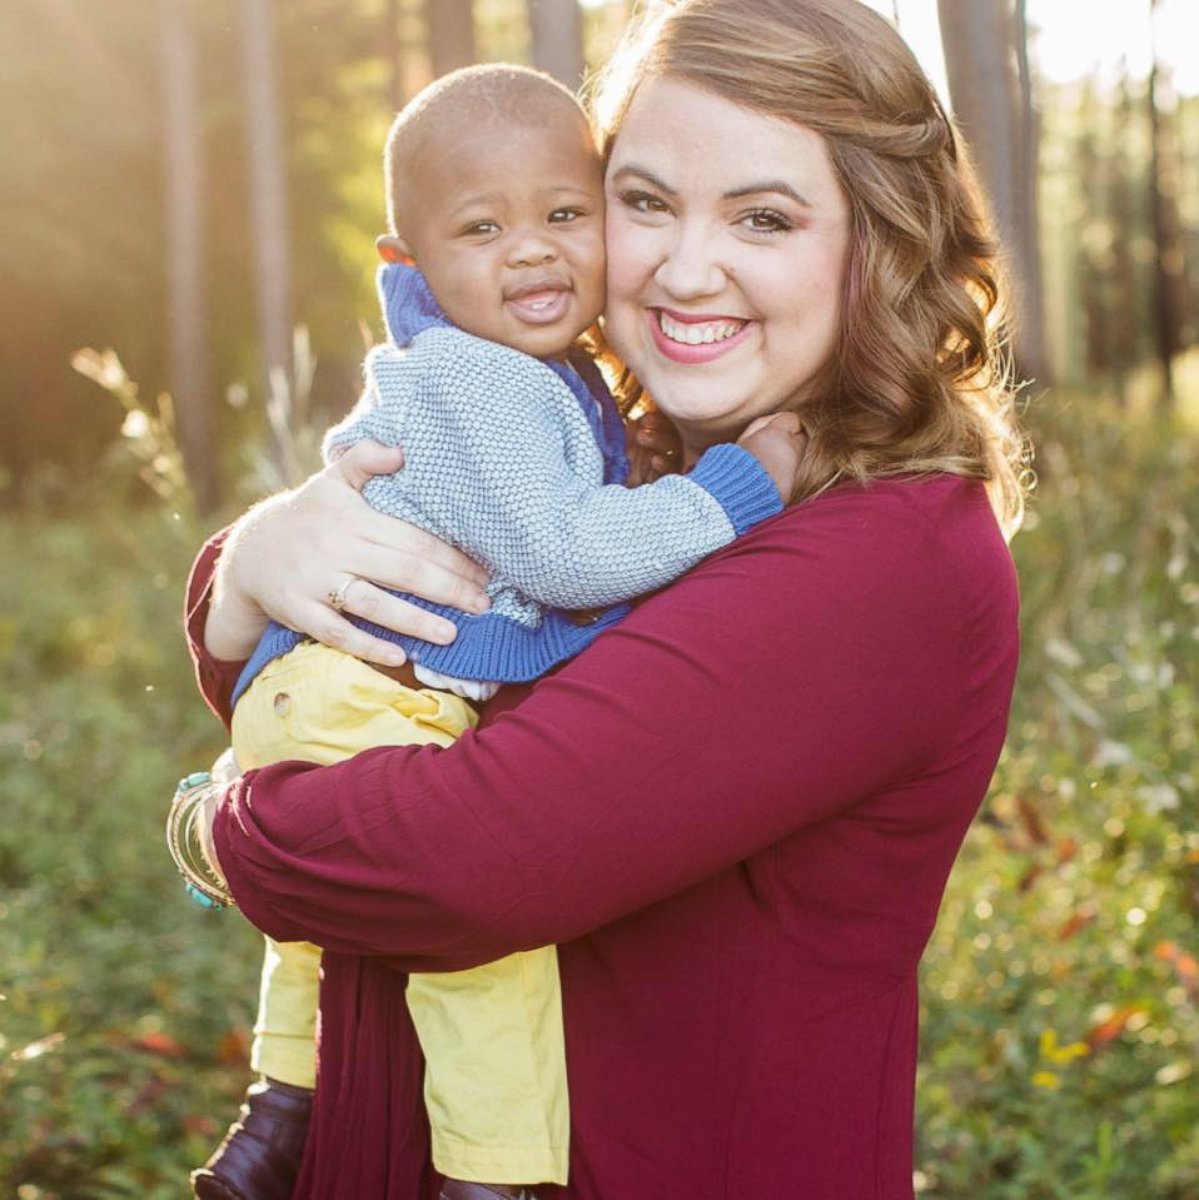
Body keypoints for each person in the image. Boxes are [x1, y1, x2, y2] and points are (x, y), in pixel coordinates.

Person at [178, 0, 1028, 1196]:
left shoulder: (883, 558)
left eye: (764, 217)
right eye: (642, 201)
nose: (685, 268)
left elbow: (452, 862)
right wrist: (247, 572)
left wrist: (215, 824)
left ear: (876, 244)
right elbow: (416, 647)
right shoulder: (628, 453)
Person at [186, 62, 799, 1200]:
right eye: (482, 227)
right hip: (364, 684)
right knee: (478, 949)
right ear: (405, 267)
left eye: (563, 214)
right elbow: (565, 554)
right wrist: (730, 493)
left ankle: (275, 1122)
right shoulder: (485, 383)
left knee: (314, 943)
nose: (529, 250)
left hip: (314, 685)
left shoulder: (522, 371)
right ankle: (490, 1177)